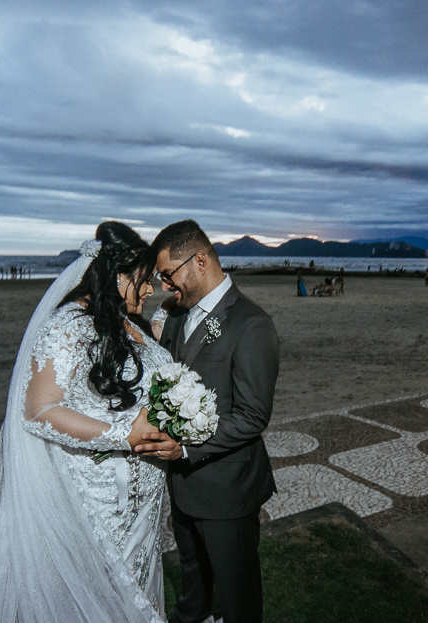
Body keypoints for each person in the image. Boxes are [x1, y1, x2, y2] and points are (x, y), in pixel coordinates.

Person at [0, 222, 171, 623]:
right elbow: (39, 411)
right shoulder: (66, 326)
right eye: (144, 280)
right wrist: (123, 433)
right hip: (101, 503)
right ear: (117, 274)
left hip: (143, 505)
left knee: (138, 593)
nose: (150, 290)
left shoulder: (128, 323)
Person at [138, 220, 279, 623]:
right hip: (183, 488)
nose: (166, 286)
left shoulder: (251, 324)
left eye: (169, 275)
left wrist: (185, 446)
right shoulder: (178, 316)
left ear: (200, 261)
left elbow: (253, 416)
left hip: (228, 493)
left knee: (238, 601)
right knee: (192, 593)